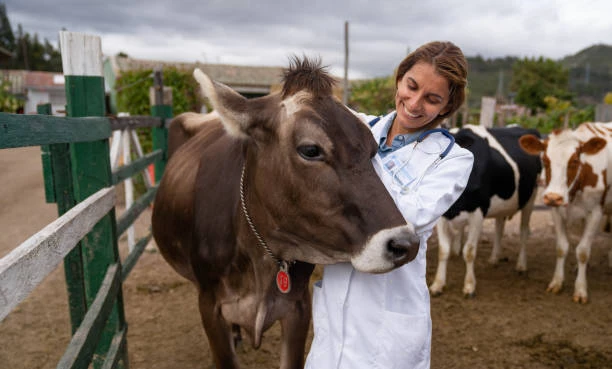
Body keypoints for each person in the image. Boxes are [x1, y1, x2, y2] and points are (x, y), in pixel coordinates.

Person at [305, 41, 474, 369]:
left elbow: (407, 218)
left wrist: (349, 166)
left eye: (432, 98)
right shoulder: (358, 129)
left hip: (389, 311)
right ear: (400, 78)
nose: (414, 103)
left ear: (447, 105)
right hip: (336, 304)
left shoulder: (453, 159)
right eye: (411, 86)